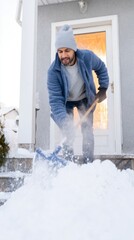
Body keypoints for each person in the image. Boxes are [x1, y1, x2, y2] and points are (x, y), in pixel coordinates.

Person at [47, 24, 109, 163]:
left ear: (74, 49)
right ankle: (69, 163)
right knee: (67, 133)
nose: (63, 55)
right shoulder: (53, 72)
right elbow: (55, 100)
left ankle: (88, 161)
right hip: (66, 101)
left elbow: (101, 68)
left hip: (85, 98)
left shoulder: (87, 57)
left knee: (87, 130)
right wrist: (65, 124)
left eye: (67, 50)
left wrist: (103, 87)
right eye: (60, 51)